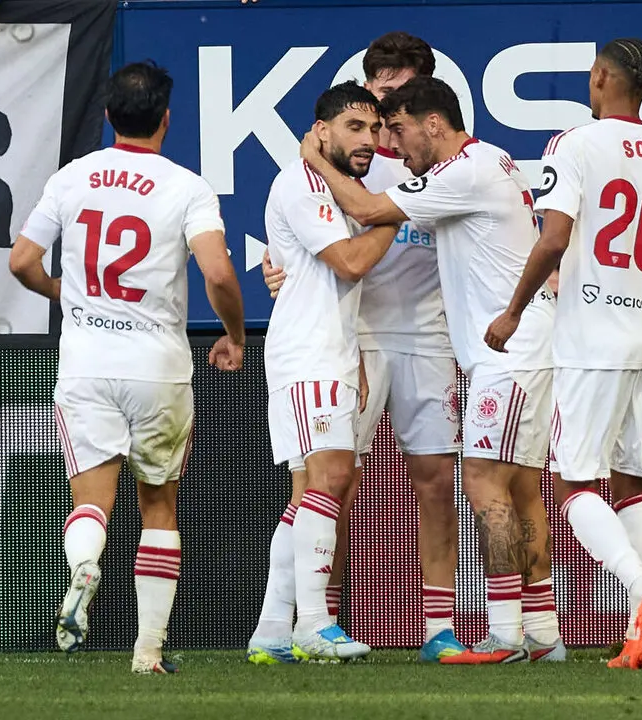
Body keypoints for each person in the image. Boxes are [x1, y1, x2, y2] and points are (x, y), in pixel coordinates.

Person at [299, 76, 561, 664]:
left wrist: (315, 157)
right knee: (519, 487)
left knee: (482, 483)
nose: (395, 145)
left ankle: (505, 632)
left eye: (399, 130)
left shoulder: (462, 170)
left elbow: (366, 207)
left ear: (432, 123)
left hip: (508, 355)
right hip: (523, 349)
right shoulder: (492, 161)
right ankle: (542, 633)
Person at [485, 38, 642, 670]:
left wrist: (512, 311)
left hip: (595, 336)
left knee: (571, 483)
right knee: (632, 484)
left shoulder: (574, 144)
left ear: (600, 77)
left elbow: (554, 238)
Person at [8, 61, 246, 675]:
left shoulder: (72, 177)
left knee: (92, 501)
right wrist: (234, 334)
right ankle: (147, 653)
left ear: (109, 116)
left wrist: (69, 294)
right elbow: (218, 273)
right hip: (159, 366)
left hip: (87, 364)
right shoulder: (186, 185)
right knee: (158, 505)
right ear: (167, 119)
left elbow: (21, 262)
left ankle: (84, 565)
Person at [258, 31, 470, 663]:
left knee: (435, 480)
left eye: (397, 96)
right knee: (328, 483)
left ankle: (437, 626)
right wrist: (278, 265)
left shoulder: (450, 160)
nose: (383, 117)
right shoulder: (345, 161)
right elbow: (328, 252)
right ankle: (313, 617)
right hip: (355, 335)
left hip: (427, 331)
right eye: (375, 96)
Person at [253, 81, 402, 662]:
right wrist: (398, 212)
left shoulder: (338, 189)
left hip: (329, 351)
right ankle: (313, 624)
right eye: (354, 128)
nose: (367, 140)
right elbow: (349, 262)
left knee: (315, 491)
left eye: (373, 130)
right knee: (332, 480)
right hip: (307, 353)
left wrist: (355, 355)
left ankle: (270, 631)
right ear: (320, 132)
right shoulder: (302, 181)